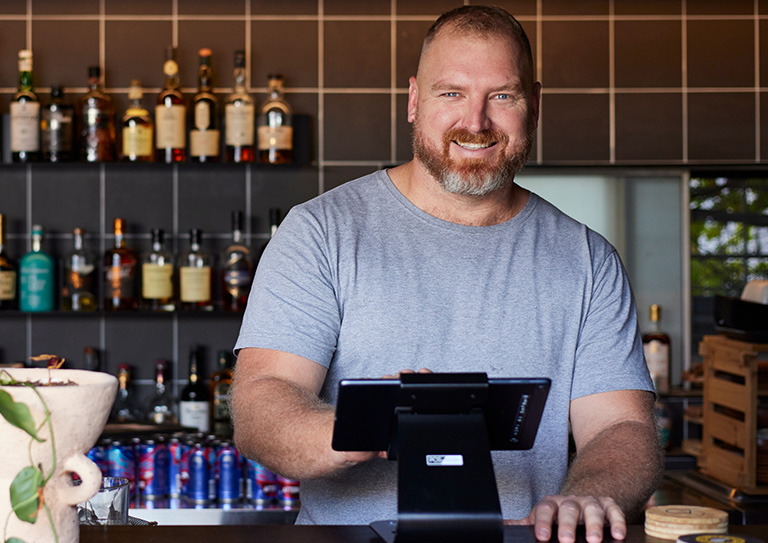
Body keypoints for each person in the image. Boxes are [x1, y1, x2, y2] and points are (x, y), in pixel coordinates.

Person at [231, 5, 663, 543]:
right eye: (451, 93)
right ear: (415, 101)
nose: (476, 122)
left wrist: (590, 490)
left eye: (502, 95)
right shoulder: (320, 232)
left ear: (534, 105)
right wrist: (374, 425)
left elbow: (621, 426)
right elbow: (260, 403)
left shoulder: (586, 258)